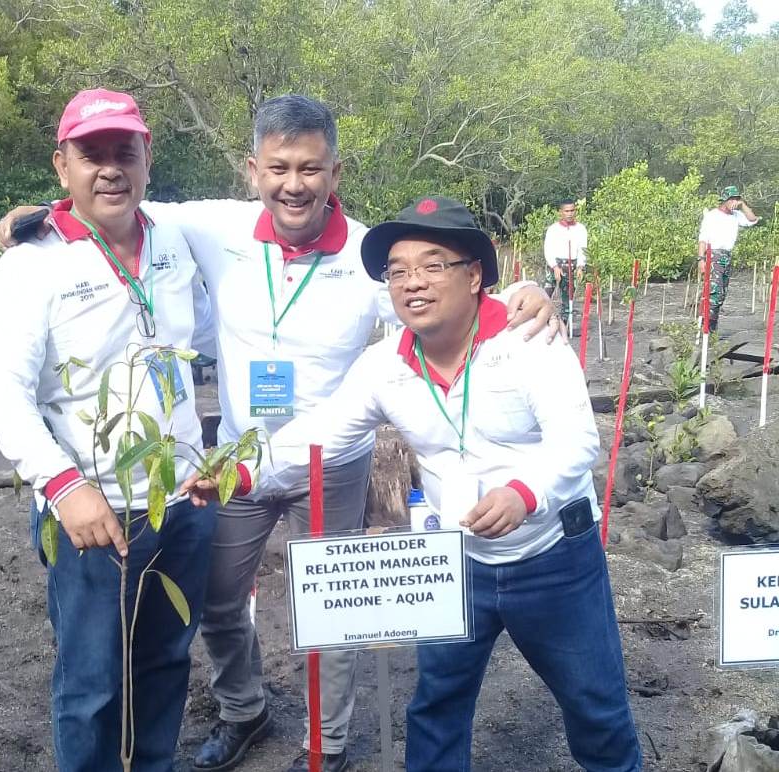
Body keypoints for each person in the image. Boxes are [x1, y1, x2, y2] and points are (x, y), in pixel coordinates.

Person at [0, 94, 560, 772]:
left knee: (334, 607)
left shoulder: (368, 252)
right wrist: (30, 217)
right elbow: (103, 201)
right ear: (252, 170)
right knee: (217, 602)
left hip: (333, 462)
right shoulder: (207, 227)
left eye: (311, 169)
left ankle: (327, 744)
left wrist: (521, 291)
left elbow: (438, 288)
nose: (295, 185)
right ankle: (244, 709)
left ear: (335, 173)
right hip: (232, 462)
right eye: (280, 168)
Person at [188, 195, 643, 772]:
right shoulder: (386, 366)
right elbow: (320, 432)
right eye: (397, 271)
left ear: (474, 274)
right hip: (456, 561)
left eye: (432, 265)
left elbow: (577, 441)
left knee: (595, 706)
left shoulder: (529, 340)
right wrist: (243, 472)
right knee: (436, 707)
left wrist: (523, 493)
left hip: (552, 558)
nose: (412, 283)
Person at [0, 88, 219, 772]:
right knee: (90, 683)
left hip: (181, 503)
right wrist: (63, 487)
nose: (110, 169)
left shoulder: (172, 239)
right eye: (92, 155)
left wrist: (214, 447)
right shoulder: (32, 263)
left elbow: (199, 341)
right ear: (62, 167)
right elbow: (2, 389)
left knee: (168, 661)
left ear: (148, 159)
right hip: (94, 514)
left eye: (125, 151)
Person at [697, 185, 758, 332]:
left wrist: (742, 204)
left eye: (736, 200)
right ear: (725, 200)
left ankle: (712, 326)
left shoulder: (737, 215)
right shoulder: (712, 215)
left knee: (722, 293)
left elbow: (753, 219)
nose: (734, 203)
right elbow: (703, 239)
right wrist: (701, 259)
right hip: (714, 254)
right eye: (732, 200)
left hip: (727, 255)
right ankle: (705, 327)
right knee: (714, 292)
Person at [543, 199, 587, 332]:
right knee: (546, 293)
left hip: (571, 265)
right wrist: (554, 266)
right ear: (561, 212)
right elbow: (548, 249)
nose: (569, 213)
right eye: (567, 211)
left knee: (568, 297)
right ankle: (542, 321)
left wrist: (580, 266)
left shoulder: (581, 229)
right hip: (555, 264)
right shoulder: (553, 229)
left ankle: (565, 327)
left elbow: (583, 249)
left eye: (572, 210)